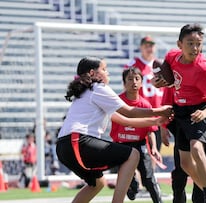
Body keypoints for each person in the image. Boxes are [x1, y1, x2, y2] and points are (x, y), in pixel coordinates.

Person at [56, 56, 172, 203]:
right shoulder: (98, 88)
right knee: (133, 155)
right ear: (92, 73)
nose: (108, 73)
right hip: (77, 141)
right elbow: (129, 111)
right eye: (104, 69)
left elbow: (126, 121)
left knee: (97, 184)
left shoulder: (87, 92)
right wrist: (161, 111)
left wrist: (157, 121)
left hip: (64, 147)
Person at [152, 23, 206, 203]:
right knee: (184, 164)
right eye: (190, 43)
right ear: (179, 44)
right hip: (180, 114)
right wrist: (158, 81)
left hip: (201, 110)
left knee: (196, 147)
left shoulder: (204, 67)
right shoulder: (171, 57)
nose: (195, 48)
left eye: (198, 44)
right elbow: (167, 82)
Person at [109, 67, 163, 203]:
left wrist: (154, 148)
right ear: (124, 83)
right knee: (124, 175)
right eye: (130, 79)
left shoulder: (145, 104)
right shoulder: (117, 102)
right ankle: (131, 186)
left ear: (141, 83)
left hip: (140, 145)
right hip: (121, 145)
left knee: (149, 178)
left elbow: (150, 129)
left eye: (137, 79)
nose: (134, 82)